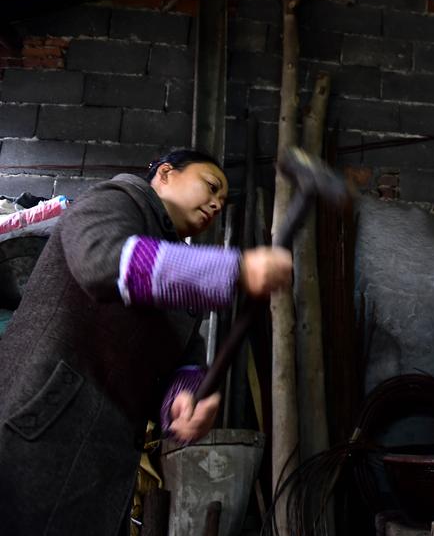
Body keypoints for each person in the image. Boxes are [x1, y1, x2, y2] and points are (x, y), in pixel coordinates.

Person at [0, 149, 293, 535]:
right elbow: (101, 261)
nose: (215, 204)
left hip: (105, 458)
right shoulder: (117, 198)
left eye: (222, 203)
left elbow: (182, 361)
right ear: (167, 174)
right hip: (39, 424)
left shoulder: (180, 276)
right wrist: (234, 268)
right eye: (210, 186)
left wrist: (185, 402)